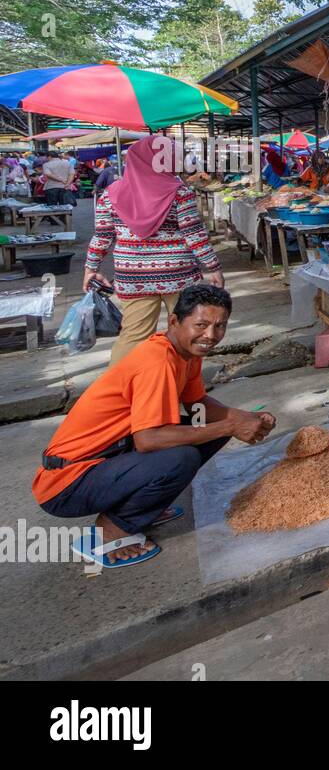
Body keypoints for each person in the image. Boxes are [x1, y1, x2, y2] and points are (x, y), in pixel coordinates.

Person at [33, 284, 275, 568]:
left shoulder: (187, 353)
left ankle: (138, 504)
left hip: (108, 457)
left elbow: (198, 405)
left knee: (209, 431)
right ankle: (111, 531)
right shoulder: (157, 361)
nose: (211, 335)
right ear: (174, 321)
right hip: (66, 483)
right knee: (181, 457)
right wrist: (230, 427)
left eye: (219, 326)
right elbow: (148, 440)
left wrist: (245, 418)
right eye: (201, 325)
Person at [85, 137, 224, 365]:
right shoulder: (180, 193)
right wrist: (214, 267)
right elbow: (194, 235)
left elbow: (102, 237)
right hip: (178, 275)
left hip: (133, 277)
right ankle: (182, 382)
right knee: (186, 332)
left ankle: (123, 383)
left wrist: (90, 269)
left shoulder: (109, 195)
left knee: (133, 335)